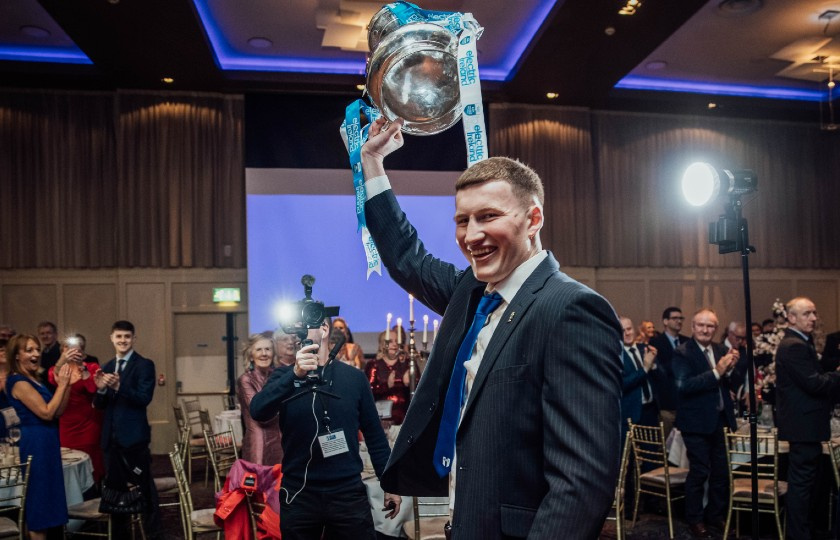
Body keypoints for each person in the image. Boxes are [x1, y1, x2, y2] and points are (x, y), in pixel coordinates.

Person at [360, 117, 622, 539]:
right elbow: (406, 256)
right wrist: (372, 162)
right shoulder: (472, 291)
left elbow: (582, 481)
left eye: (488, 216)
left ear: (533, 218)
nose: (472, 235)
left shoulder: (571, 309)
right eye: (462, 221)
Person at [250, 318, 401, 539]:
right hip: (299, 492)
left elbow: (375, 435)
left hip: (347, 492)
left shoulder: (354, 378)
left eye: (307, 323)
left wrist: (390, 484)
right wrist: (295, 374)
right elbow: (258, 411)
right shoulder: (284, 377)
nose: (299, 329)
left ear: (324, 329)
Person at [775, 297, 840, 540]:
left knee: (805, 485)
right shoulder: (794, 345)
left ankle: (803, 532)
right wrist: (837, 375)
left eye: (814, 313)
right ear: (791, 318)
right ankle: (798, 535)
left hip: (805, 426)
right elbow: (813, 383)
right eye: (807, 314)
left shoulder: (800, 342)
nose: (814, 318)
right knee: (801, 487)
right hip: (804, 427)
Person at [672, 309, 740, 538]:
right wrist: (717, 371)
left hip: (720, 421)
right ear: (692, 327)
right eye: (701, 325)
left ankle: (716, 516)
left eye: (710, 326)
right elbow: (684, 386)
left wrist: (729, 370)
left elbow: (727, 383)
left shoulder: (721, 350)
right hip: (695, 423)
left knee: (721, 473)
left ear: (716, 329)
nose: (705, 330)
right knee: (699, 472)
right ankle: (695, 519)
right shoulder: (683, 352)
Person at [5, 334, 80, 540]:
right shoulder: (17, 381)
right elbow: (46, 412)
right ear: (17, 355)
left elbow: (58, 411)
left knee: (47, 504)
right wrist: (62, 385)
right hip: (35, 444)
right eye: (29, 350)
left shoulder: (34, 379)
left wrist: (68, 385)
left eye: (37, 349)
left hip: (47, 442)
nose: (36, 354)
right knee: (39, 507)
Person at [93, 320, 161, 538]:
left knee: (144, 490)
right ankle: (120, 535)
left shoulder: (144, 365)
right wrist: (102, 390)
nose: (123, 340)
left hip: (134, 440)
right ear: (111, 338)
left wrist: (119, 387)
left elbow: (143, 398)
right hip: (110, 441)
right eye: (118, 336)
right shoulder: (106, 366)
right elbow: (99, 405)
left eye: (127, 337)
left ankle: (153, 534)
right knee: (115, 494)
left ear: (134, 339)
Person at [47, 333, 105, 483]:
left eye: (74, 346)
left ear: (82, 351)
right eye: (66, 347)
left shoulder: (92, 367)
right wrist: (63, 360)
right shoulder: (57, 368)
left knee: (92, 460)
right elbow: (53, 378)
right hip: (66, 424)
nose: (70, 349)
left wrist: (81, 366)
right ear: (61, 350)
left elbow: (92, 389)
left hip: (89, 423)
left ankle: (94, 492)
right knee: (68, 460)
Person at [237, 333, 283, 466]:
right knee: (259, 483)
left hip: (279, 441)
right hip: (258, 442)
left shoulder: (277, 376)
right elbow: (258, 411)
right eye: (259, 349)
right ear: (251, 355)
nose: (264, 353)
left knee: (280, 483)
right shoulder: (245, 379)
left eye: (268, 349)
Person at [649, 306, 689, 439]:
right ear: (665, 321)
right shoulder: (656, 342)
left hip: (685, 402)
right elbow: (659, 371)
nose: (679, 321)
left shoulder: (687, 342)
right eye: (675, 318)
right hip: (666, 403)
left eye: (680, 318)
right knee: (665, 445)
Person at [365, 339, 412, 426]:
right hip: (381, 419)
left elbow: (420, 390)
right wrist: (386, 386)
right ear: (383, 344)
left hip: (403, 419)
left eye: (396, 341)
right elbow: (368, 392)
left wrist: (409, 384)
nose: (394, 344)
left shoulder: (407, 363)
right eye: (390, 341)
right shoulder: (374, 364)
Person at [37, 321, 60, 390]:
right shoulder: (44, 352)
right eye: (42, 334)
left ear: (55, 335)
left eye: (48, 333)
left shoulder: (61, 351)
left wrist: (38, 370)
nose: (45, 336)